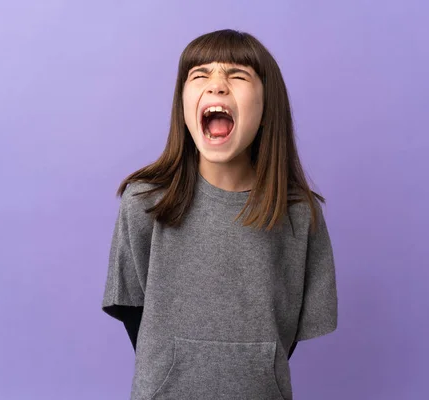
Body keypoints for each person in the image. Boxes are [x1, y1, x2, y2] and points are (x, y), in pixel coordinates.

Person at [102, 28, 338, 400]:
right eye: (200, 75)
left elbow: (289, 328)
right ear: (182, 102)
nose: (217, 86)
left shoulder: (299, 214)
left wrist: (255, 366)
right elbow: (132, 307)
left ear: (267, 106)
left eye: (237, 75)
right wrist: (169, 367)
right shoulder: (144, 201)